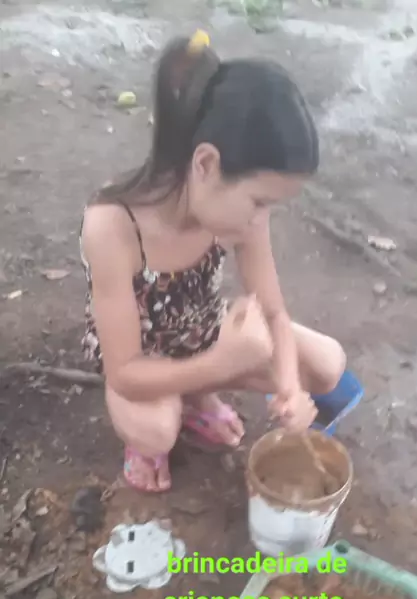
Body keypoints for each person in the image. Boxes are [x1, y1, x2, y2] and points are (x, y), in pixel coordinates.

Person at [79, 29, 346, 493]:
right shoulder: (113, 226)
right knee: (156, 430)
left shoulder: (238, 215)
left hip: (203, 330)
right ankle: (183, 402)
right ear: (205, 164)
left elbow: (275, 312)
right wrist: (223, 364)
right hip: (141, 359)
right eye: (259, 201)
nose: (261, 218)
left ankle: (196, 396)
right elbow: (125, 372)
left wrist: (289, 388)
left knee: (328, 365)